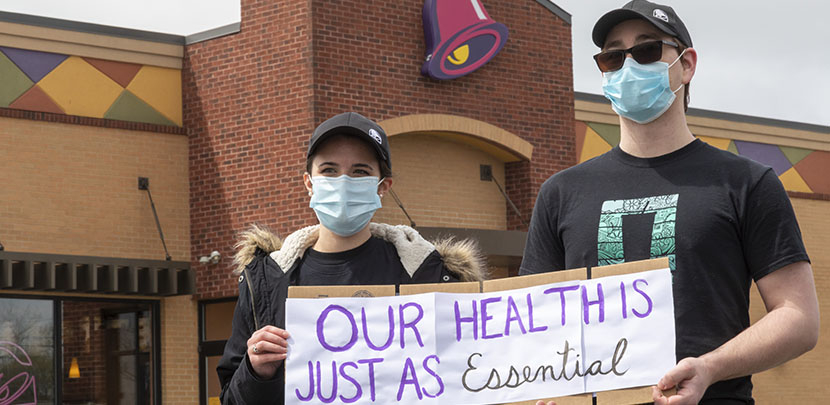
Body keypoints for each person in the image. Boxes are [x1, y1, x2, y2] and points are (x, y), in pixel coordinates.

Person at [520, 1, 819, 404]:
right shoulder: (560, 193)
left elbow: (799, 318)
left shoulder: (747, 183)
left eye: (646, 50)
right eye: (612, 56)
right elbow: (533, 323)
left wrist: (710, 367)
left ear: (687, 64)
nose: (628, 65)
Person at [216, 112, 487, 404]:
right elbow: (232, 399)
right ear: (309, 182)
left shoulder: (427, 278)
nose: (343, 181)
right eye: (329, 170)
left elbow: (473, 379)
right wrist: (256, 371)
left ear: (383, 186)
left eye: (359, 172)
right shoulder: (266, 283)